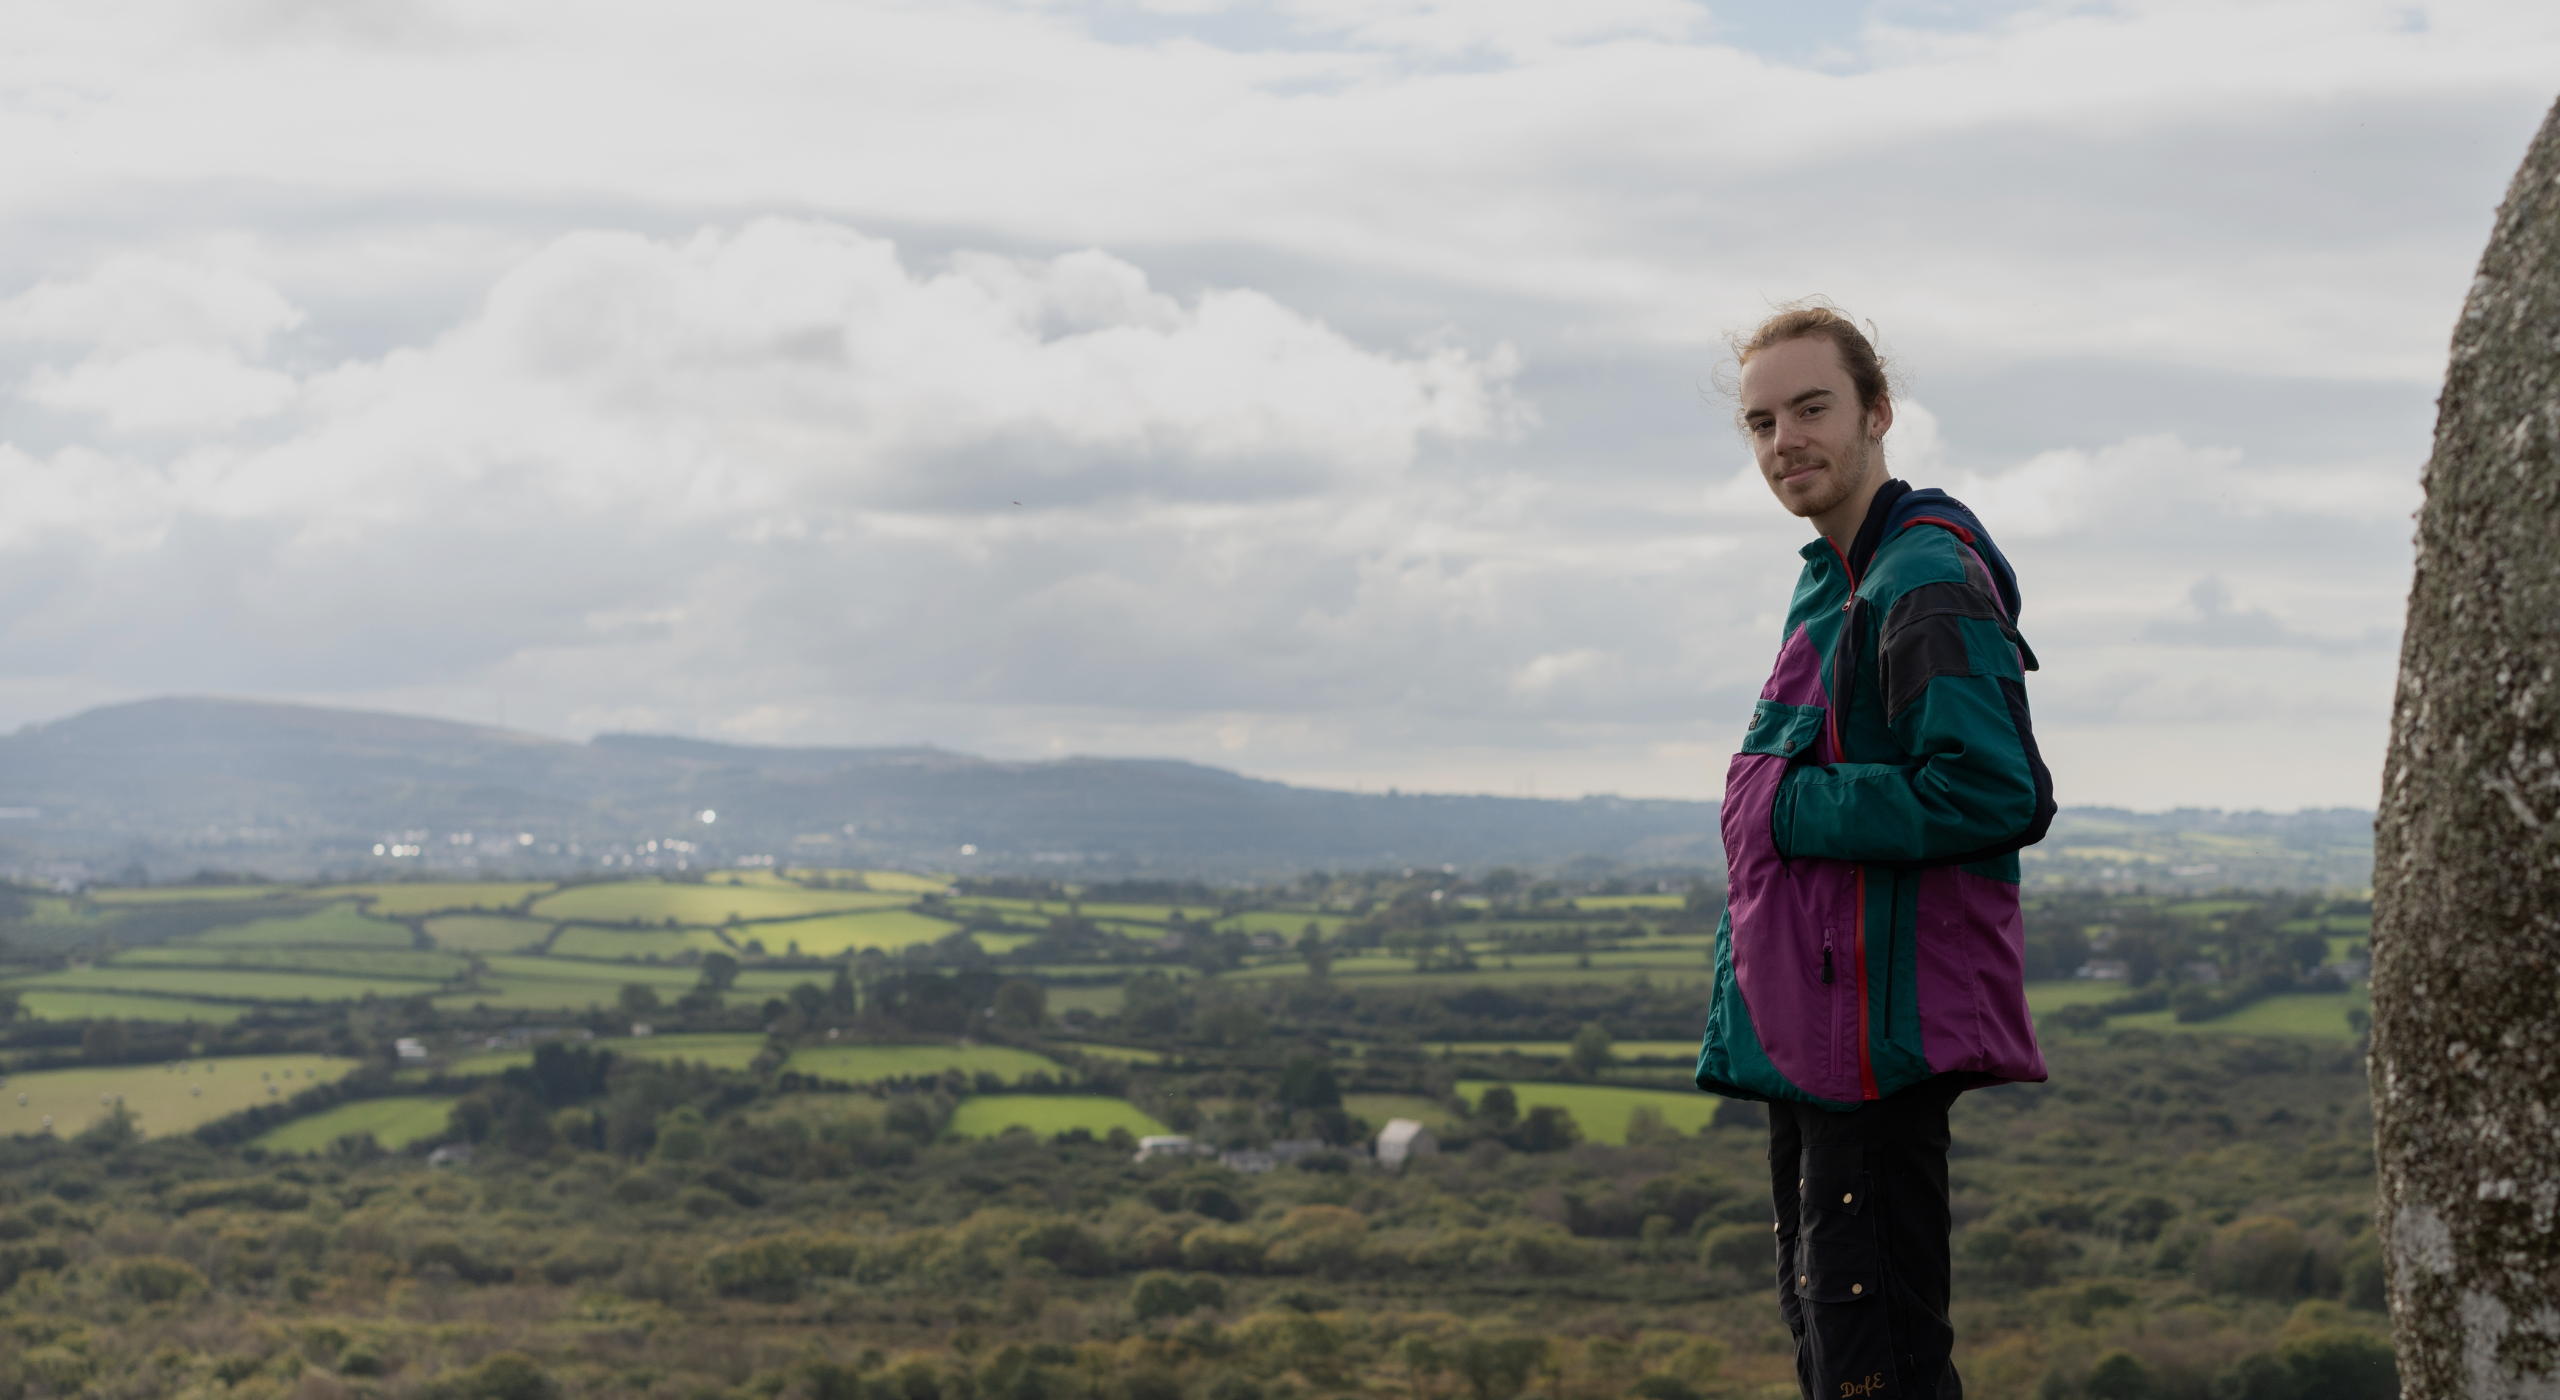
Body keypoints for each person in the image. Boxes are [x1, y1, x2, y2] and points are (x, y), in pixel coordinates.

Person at [1693, 302, 2055, 1399]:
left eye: (1810, 409)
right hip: (1815, 1039)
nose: (1783, 441)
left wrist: (1788, 807)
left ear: (1878, 413)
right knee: (1832, 1349)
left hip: (1875, 1044)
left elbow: (1995, 789)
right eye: (1760, 422)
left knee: (1876, 1361)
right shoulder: (1834, 585)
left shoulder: (1922, 582)